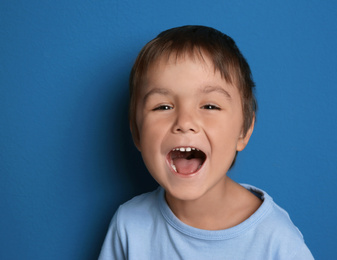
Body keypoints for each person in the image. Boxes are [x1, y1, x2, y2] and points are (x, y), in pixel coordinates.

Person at [98, 25, 314, 260]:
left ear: (244, 130)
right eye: (163, 106)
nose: (185, 122)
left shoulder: (277, 241)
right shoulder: (129, 225)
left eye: (209, 106)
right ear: (137, 133)